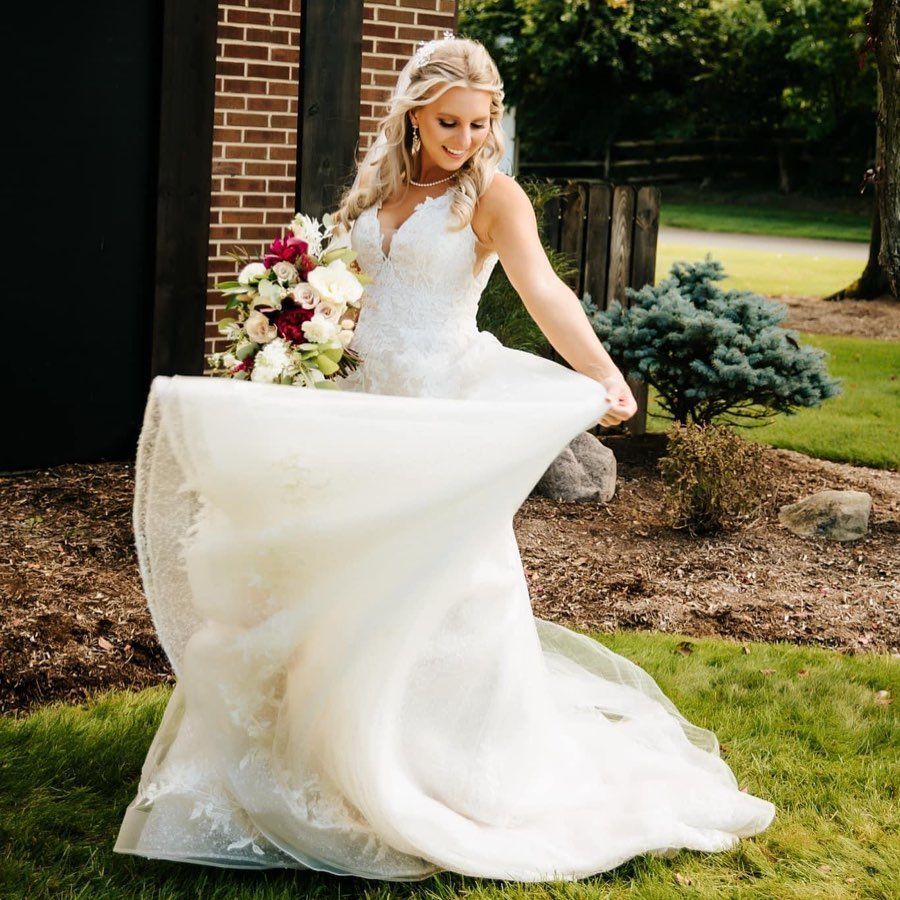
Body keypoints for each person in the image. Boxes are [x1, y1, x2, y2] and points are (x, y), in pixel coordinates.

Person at [114, 33, 775, 882]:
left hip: (437, 410)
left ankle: (438, 768)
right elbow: (344, 288)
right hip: (360, 408)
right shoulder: (378, 188)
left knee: (447, 588)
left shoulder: (493, 198)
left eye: (480, 123)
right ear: (414, 116)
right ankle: (320, 755)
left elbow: (543, 289)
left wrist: (605, 373)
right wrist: (293, 335)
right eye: (450, 123)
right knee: (329, 579)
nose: (466, 140)